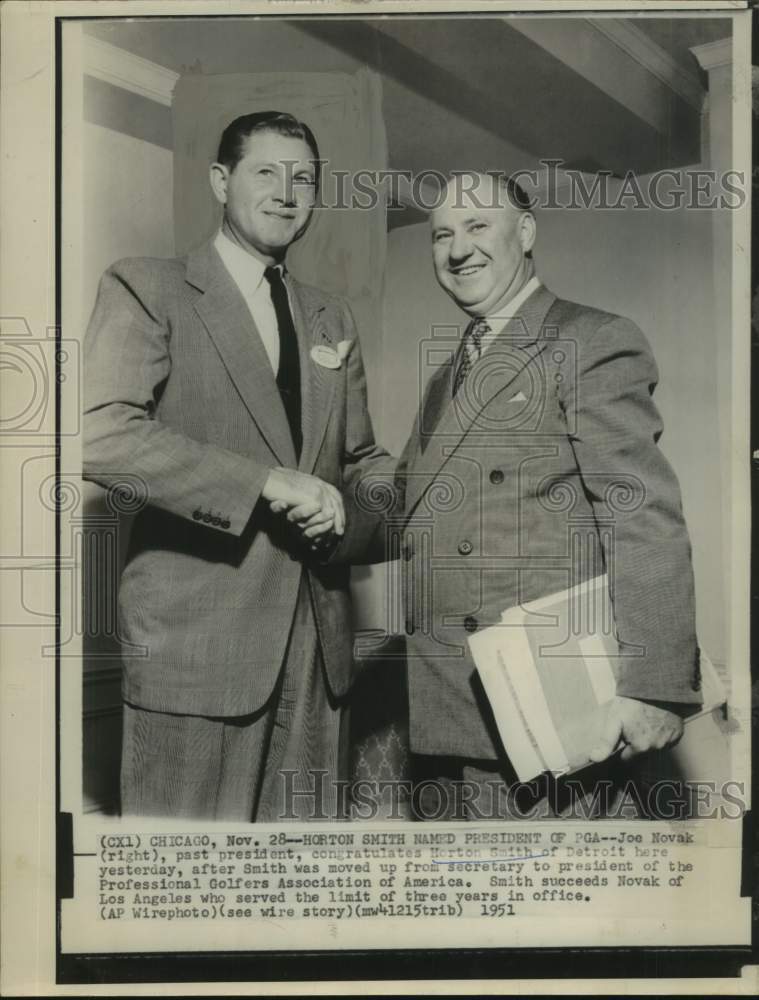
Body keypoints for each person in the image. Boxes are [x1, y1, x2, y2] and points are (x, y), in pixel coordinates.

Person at [329, 171, 704, 818]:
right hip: (446, 715)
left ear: (525, 232)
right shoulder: (448, 376)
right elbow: (408, 510)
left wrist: (655, 687)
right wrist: (315, 502)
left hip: (550, 721)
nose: (457, 250)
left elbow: (640, 514)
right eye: (441, 234)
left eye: (477, 226)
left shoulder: (589, 340)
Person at [83, 110, 387, 822]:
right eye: (266, 172)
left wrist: (363, 510)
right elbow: (100, 433)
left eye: (303, 178)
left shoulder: (333, 318)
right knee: (185, 874)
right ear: (221, 181)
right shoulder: (148, 287)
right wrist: (263, 484)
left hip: (319, 654)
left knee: (301, 876)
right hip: (196, 652)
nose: (286, 192)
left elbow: (361, 462)